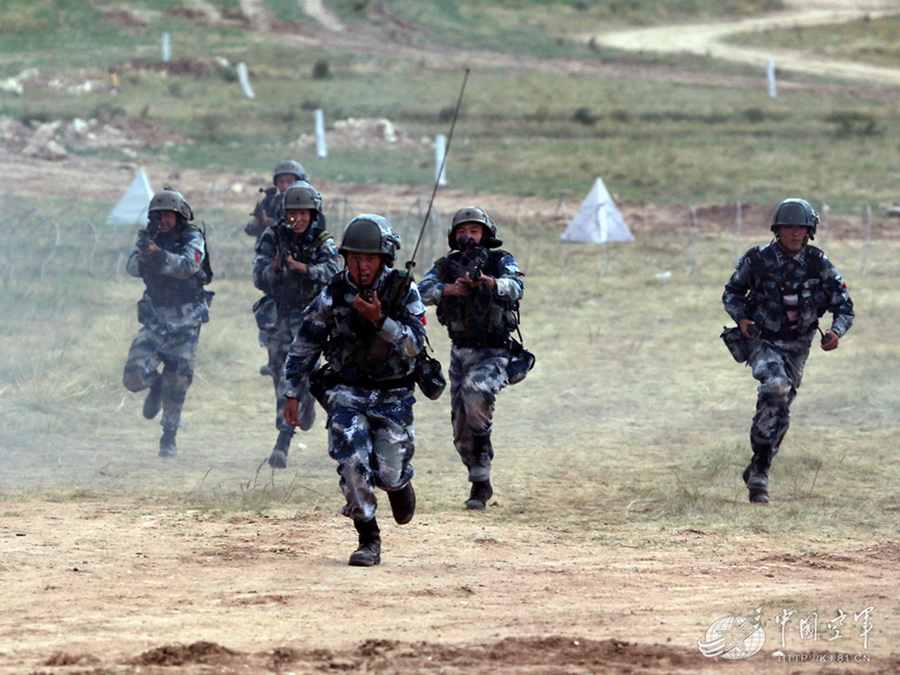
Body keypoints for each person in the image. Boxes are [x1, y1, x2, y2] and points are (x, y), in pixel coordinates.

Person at [283, 215, 425, 567]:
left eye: (370, 258)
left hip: (394, 395)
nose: (362, 266)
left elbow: (415, 345)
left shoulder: (403, 291)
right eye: (355, 258)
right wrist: (292, 391)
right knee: (351, 460)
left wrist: (381, 321)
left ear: (384, 259)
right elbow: (305, 344)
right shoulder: (332, 294)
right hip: (347, 391)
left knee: (388, 471)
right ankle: (368, 536)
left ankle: (398, 484)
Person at [723, 198, 854, 504]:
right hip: (762, 340)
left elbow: (845, 306)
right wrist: (742, 319)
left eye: (801, 228)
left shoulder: (818, 264)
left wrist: (836, 332)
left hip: (799, 346)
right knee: (776, 388)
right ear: (777, 230)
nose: (795, 233)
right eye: (789, 227)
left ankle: (759, 465)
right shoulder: (756, 260)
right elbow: (731, 292)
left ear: (810, 232)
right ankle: (760, 475)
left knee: (781, 411)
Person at [418, 206, 525, 510]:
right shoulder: (446, 265)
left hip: (495, 350)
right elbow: (420, 292)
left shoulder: (500, 260)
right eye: (462, 231)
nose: (468, 237)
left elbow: (517, 286)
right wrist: (448, 289)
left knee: (476, 393)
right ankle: (480, 480)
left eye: (474, 231)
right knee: (461, 427)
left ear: (485, 234)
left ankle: (481, 468)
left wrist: (489, 283)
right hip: (460, 351)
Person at [253, 180, 340, 468]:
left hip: (311, 318)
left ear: (313, 214)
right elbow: (257, 276)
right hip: (279, 317)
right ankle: (296, 412)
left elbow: (333, 272)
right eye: (293, 212)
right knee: (281, 376)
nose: (298, 218)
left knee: (304, 374)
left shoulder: (322, 240)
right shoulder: (272, 237)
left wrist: (305, 269)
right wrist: (274, 270)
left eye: (304, 213)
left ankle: (283, 440)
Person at [122, 188, 213, 458]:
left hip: (185, 320)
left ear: (179, 216)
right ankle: (154, 385)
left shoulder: (191, 237)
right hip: (155, 318)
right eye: (158, 215)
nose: (163, 220)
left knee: (178, 383)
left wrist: (160, 256)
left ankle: (168, 437)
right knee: (133, 375)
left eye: (168, 215)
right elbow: (130, 268)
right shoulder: (150, 238)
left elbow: (189, 266)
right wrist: (144, 256)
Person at [246, 160, 310, 377]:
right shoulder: (269, 201)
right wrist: (259, 224)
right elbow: (251, 227)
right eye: (281, 181)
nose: (284, 186)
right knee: (272, 308)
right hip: (272, 261)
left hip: (301, 269)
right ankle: (274, 358)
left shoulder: (308, 205)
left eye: (289, 181)